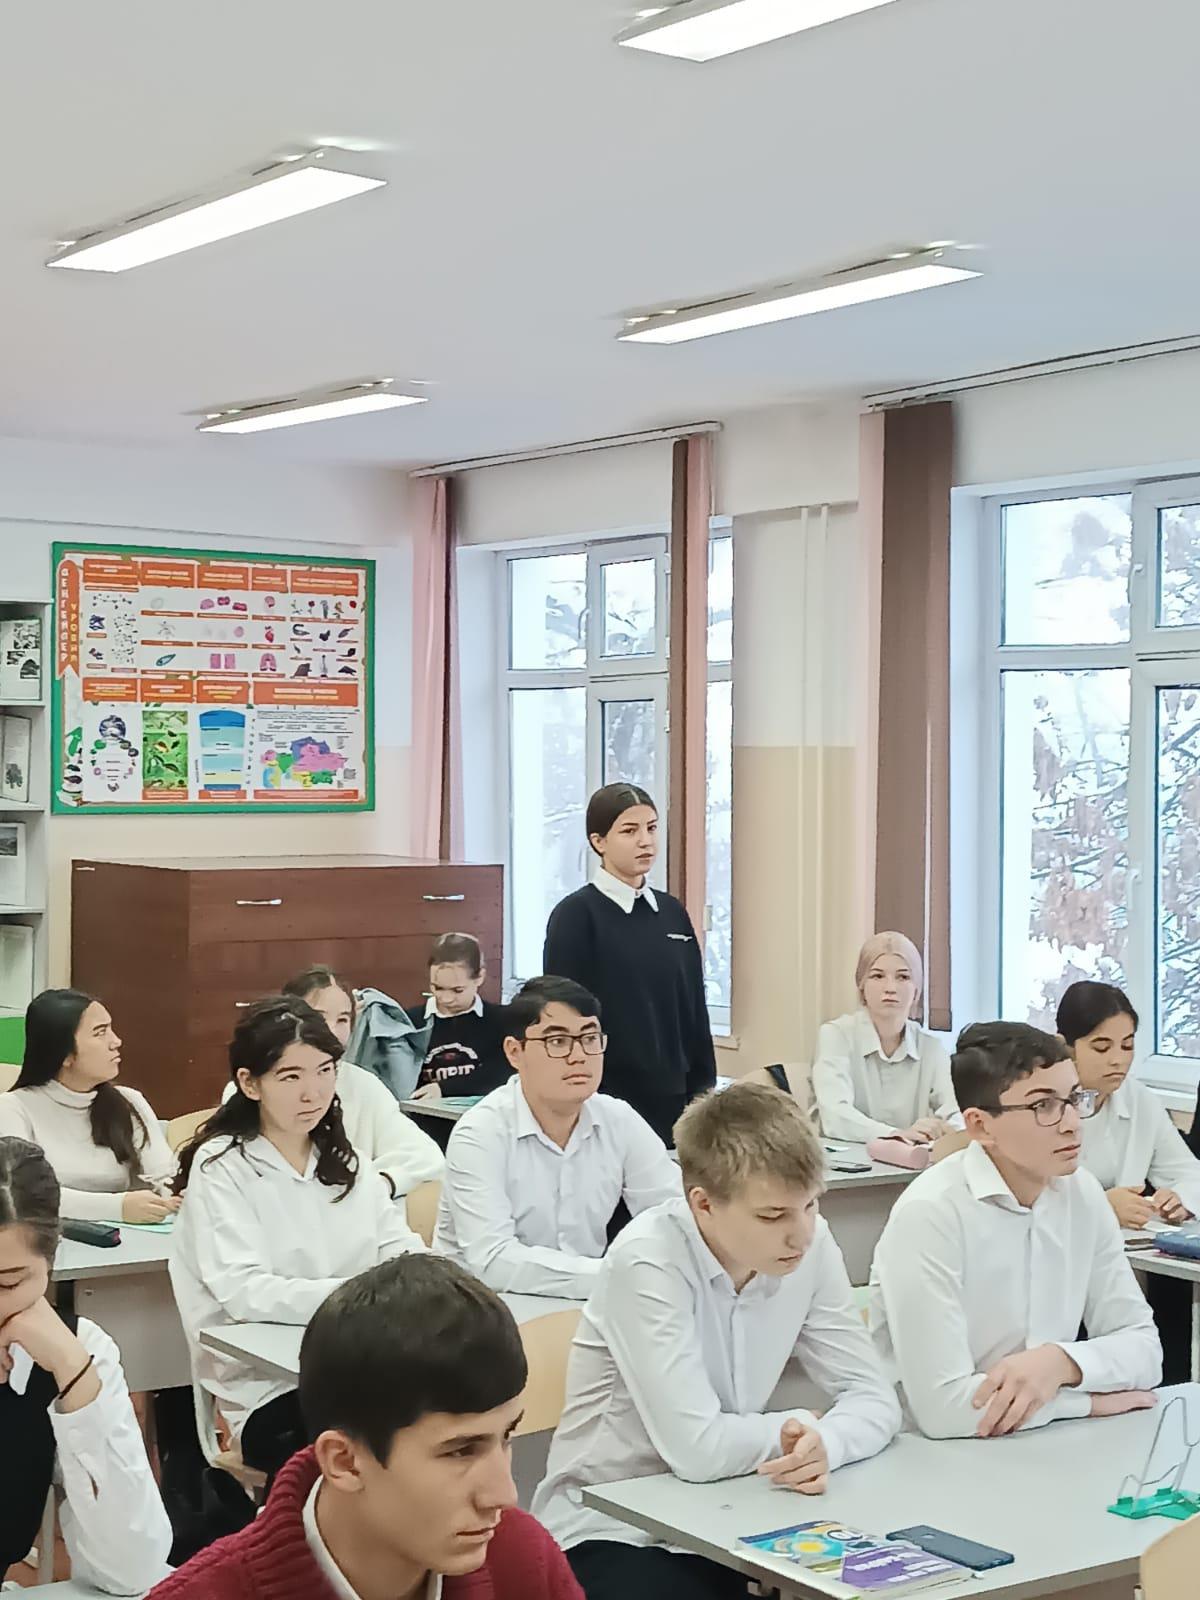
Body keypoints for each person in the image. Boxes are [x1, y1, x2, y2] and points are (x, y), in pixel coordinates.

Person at [533, 1082, 900, 1600]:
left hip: (735, 1517)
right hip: (613, 1528)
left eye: (811, 1205)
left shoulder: (811, 1246)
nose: (800, 1233)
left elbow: (876, 1397)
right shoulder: (648, 1260)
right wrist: (803, 1423)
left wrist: (828, 1444)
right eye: (772, 1215)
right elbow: (698, 1451)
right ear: (702, 1204)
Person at [146, 1254, 583, 1600]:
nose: (504, 1495)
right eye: (460, 1451)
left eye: (506, 1437)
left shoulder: (521, 1558)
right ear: (345, 1462)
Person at [169, 995, 425, 1487]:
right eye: (290, 1077)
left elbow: (399, 1248)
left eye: (325, 1071)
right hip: (269, 1386)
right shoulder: (223, 1166)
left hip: (363, 1363)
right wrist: (364, 1299)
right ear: (250, 1083)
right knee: (388, 1448)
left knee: (447, 1420)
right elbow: (244, 1291)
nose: (313, 1093)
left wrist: (428, 1282)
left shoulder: (346, 1160)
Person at [869, 1021, 1162, 1440]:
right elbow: (942, 1410)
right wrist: (1086, 1404)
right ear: (980, 1126)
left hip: (1040, 1443)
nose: (1072, 1123)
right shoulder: (930, 1214)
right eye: (1043, 1105)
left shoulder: (1083, 1194)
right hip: (927, 1453)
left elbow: (1145, 1350)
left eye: (1074, 1099)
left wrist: (1060, 1362)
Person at [434, 976, 680, 1298]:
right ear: (514, 1052)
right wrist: (617, 1276)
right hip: (480, 1308)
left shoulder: (618, 1119)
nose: (579, 1056)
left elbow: (673, 1216)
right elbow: (492, 1261)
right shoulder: (480, 1133)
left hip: (585, 1301)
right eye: (558, 1041)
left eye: (589, 1038)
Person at [0, 1135, 173, 1592]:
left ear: (50, 1262)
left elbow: (130, 1570)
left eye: (7, 1285)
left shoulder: (75, 1350)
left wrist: (72, 1371)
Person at [543, 783, 715, 1145]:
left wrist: (704, 1090)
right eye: (629, 831)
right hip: (606, 1099)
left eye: (651, 828)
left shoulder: (671, 911)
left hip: (677, 1097)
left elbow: (693, 1007)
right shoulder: (576, 916)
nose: (645, 841)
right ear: (598, 841)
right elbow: (563, 1017)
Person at [1060, 979, 1200, 1384]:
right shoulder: (1048, 1103)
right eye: (1101, 1047)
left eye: (1127, 1045)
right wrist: (1102, 1205)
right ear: (1067, 1046)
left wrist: (1181, 1198)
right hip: (1060, 1264)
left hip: (1124, 1267)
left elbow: (1188, 1169)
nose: (1118, 1060)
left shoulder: (1139, 1100)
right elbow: (1034, 1193)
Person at [234, 965, 444, 1196]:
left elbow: (424, 1155)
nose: (332, 1032)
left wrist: (376, 1186)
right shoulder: (256, 1084)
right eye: (318, 1018)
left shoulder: (364, 1084)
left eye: (343, 1020)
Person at [0, 989, 178, 1222]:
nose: (116, 1042)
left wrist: (178, 1194)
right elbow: (22, 1195)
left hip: (123, 1238)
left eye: (111, 1029)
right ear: (64, 1053)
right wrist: (117, 1207)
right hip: (49, 1237)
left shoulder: (128, 1101)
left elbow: (165, 1175)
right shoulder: (13, 1108)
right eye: (100, 1032)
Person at [812, 933, 957, 1145]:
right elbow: (834, 1115)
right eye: (878, 976)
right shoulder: (835, 1035)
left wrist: (946, 1130)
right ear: (861, 985)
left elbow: (955, 1113)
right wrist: (896, 1134)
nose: (890, 988)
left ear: (916, 988)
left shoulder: (931, 1047)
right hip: (847, 1161)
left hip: (910, 1160)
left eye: (903, 977)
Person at [407, 933, 511, 1103]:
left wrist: (444, 1089)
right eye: (437, 988)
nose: (446, 999)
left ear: (480, 977)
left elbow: (502, 1073)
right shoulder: (410, 1022)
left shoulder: (500, 1020)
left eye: (457, 990)